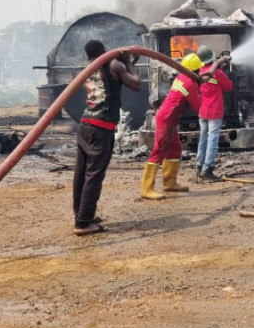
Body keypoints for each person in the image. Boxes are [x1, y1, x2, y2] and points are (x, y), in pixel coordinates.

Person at [72, 40, 141, 236]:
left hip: (85, 124)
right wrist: (128, 62)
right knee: (94, 175)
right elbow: (136, 84)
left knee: (82, 173)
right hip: (101, 128)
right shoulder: (114, 65)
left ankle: (82, 214)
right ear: (104, 51)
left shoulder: (89, 68)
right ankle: (83, 223)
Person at [142, 53, 204, 200]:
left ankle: (170, 183)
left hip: (169, 118)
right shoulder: (190, 83)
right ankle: (147, 188)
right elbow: (198, 106)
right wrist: (202, 87)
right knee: (159, 150)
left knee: (175, 150)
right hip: (167, 119)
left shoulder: (182, 77)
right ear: (196, 71)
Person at [195, 46, 233, 181]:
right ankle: (208, 169)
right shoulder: (217, 73)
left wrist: (219, 67)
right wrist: (221, 68)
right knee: (212, 140)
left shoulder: (201, 71)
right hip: (215, 111)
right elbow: (229, 86)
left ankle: (199, 167)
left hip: (203, 111)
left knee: (203, 139)